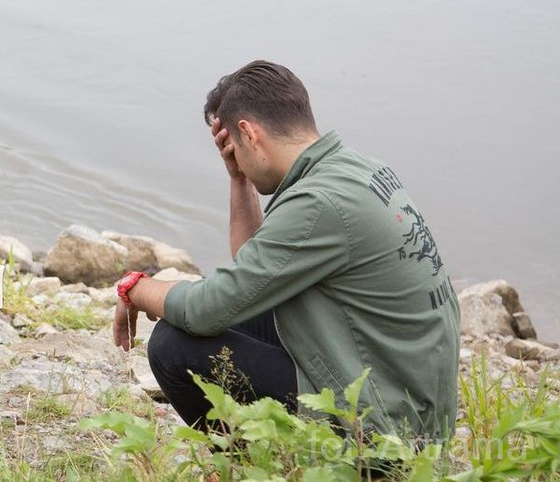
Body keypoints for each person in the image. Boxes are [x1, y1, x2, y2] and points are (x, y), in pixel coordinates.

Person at [113, 60, 460, 443]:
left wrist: (134, 287)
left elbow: (205, 308)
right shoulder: (355, 171)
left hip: (384, 433)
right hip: (403, 395)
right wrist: (239, 178)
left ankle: (256, 467)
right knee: (236, 313)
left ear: (248, 132)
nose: (236, 157)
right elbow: (254, 274)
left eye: (237, 148)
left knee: (173, 345)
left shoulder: (317, 204)